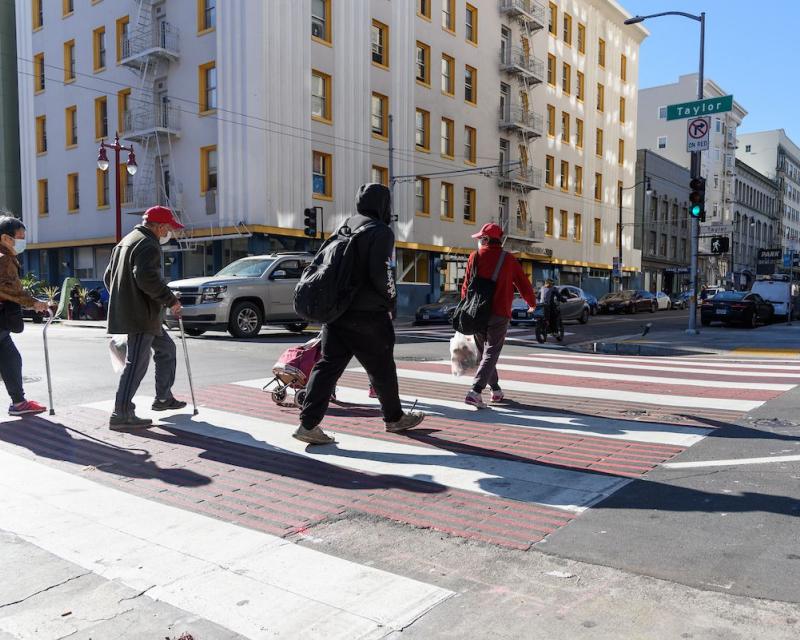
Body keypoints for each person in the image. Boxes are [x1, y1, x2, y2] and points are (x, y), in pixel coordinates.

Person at [294, 183, 425, 444]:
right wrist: (391, 300)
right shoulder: (380, 231)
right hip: (367, 314)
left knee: (328, 366)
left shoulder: (345, 227)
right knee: (382, 368)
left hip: (337, 311)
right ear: (383, 205)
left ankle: (307, 425)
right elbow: (383, 273)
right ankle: (394, 418)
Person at [104, 206, 186, 430]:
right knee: (136, 364)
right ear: (159, 226)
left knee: (167, 349)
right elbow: (146, 277)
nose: (168, 232)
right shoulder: (148, 244)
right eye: (168, 228)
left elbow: (108, 276)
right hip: (142, 316)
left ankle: (163, 398)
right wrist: (171, 300)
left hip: (144, 314)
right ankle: (121, 413)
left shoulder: (127, 240)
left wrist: (125, 299)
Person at [462, 223, 537, 409]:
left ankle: (495, 389)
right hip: (499, 312)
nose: (479, 241)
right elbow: (523, 283)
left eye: (481, 238)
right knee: (491, 352)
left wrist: (466, 307)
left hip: (477, 313)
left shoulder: (474, 257)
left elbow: (466, 286)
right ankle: (475, 391)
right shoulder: (509, 259)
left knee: (484, 353)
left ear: (486, 239)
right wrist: (532, 303)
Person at [0, 215, 50, 416]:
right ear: (5, 238)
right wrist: (34, 303)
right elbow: (9, 289)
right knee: (11, 359)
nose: (23, 242)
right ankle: (19, 403)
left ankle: (19, 403)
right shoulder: (4, 260)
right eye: (19, 237)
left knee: (11, 359)